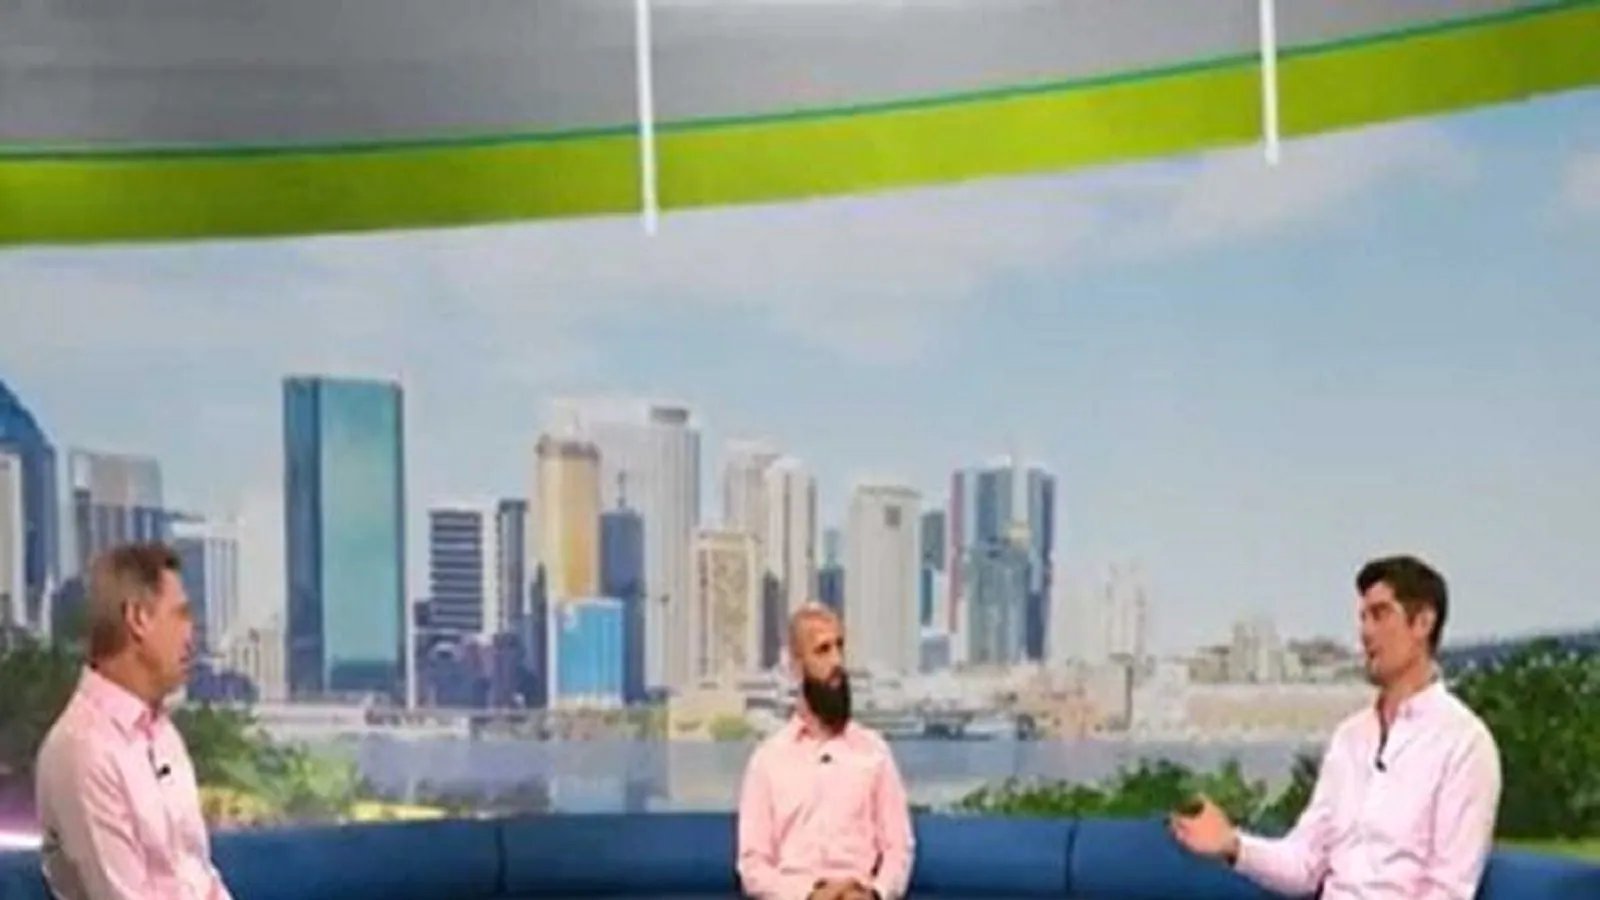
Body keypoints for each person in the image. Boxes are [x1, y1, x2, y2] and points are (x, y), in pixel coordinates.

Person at [1170, 555, 1502, 899]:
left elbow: (1448, 892)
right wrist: (1231, 844)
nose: (1366, 632)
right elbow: (1303, 865)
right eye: (1363, 618)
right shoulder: (1350, 738)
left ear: (1423, 623)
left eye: (1380, 614)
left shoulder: (1463, 743)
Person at [35, 542, 232, 900]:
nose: (192, 633)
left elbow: (200, 877)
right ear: (138, 618)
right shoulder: (82, 750)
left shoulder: (163, 735)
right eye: (181, 614)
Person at [737, 603, 914, 900]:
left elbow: (898, 848)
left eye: (839, 647)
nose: (837, 661)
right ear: (796, 666)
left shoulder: (874, 752)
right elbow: (753, 865)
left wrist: (875, 893)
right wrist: (808, 895)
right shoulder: (768, 761)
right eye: (823, 650)